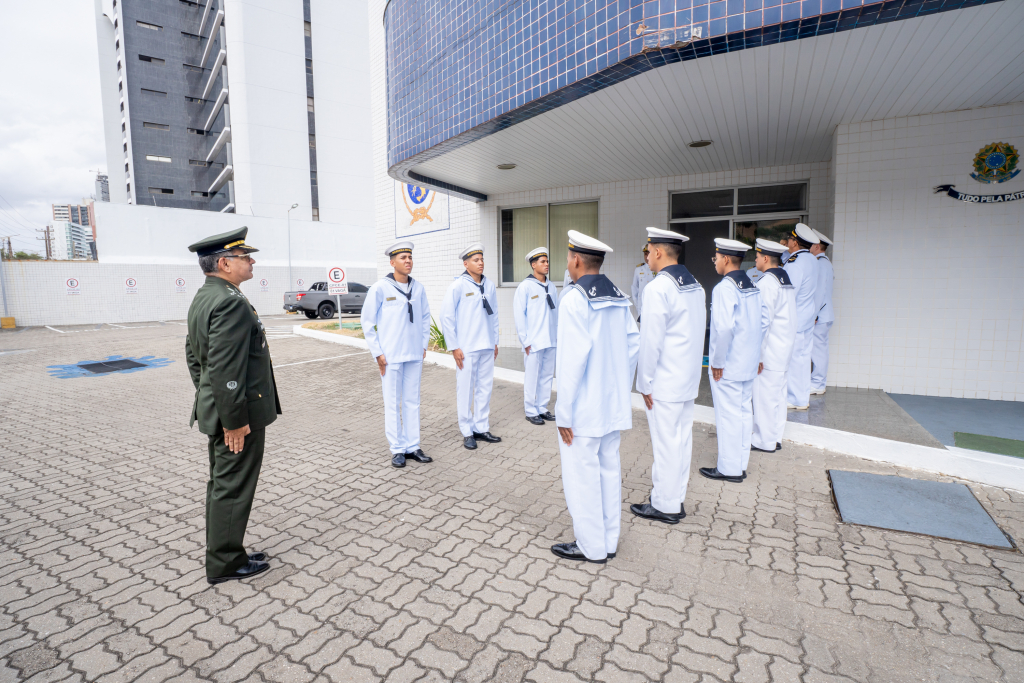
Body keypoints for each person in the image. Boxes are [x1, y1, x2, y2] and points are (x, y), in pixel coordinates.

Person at [186, 227, 279, 584]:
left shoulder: (208, 295)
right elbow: (225, 368)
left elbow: (195, 357)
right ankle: (225, 563)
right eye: (244, 257)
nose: (251, 261)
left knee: (224, 483)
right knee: (233, 485)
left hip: (222, 407)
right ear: (225, 263)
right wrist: (234, 418)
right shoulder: (228, 300)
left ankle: (228, 550)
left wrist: (208, 394)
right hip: (238, 415)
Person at [552, 230, 639, 563]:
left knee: (582, 477)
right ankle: (609, 540)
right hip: (612, 404)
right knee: (608, 472)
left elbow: (572, 361)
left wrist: (563, 412)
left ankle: (591, 546)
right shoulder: (617, 294)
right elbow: (634, 343)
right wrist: (617, 382)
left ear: (576, 260)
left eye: (568, 258)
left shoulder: (575, 298)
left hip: (584, 409)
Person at [630, 228, 705, 524]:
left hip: (663, 382)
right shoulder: (695, 284)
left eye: (649, 251)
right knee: (681, 442)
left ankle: (665, 505)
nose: (647, 257)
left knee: (666, 445)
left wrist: (643, 382)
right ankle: (674, 498)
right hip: (686, 379)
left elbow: (650, 341)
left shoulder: (658, 288)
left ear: (659, 252)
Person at [362, 241, 433, 468]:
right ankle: (397, 449)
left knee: (412, 401)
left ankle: (413, 446)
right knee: (392, 402)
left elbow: (424, 318)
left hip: (414, 354)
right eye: (403, 257)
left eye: (410, 257)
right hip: (390, 355)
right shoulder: (380, 288)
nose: (408, 261)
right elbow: (367, 321)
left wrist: (423, 345)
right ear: (392, 262)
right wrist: (378, 353)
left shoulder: (418, 288)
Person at [699, 238, 763, 483]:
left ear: (726, 259)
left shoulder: (724, 288)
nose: (714, 262)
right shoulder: (752, 285)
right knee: (745, 414)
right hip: (747, 363)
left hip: (729, 365)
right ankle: (740, 464)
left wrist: (716, 362)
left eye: (716, 258)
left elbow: (723, 329)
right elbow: (762, 323)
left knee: (728, 417)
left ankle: (728, 469)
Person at [441, 243, 502, 450]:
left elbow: (494, 316)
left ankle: (481, 427)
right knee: (466, 389)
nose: (481, 263)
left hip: (486, 345)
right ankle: (467, 431)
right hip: (466, 347)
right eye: (476, 260)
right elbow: (447, 317)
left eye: (482, 259)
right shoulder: (458, 286)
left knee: (484, 388)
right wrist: (454, 346)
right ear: (466, 264)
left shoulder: (490, 285)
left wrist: (495, 342)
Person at [750, 239, 796, 454]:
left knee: (765, 398)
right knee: (778, 397)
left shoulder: (767, 282)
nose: (755, 260)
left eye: (757, 256)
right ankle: (775, 437)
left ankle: (763, 441)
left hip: (769, 352)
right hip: (783, 349)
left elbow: (763, 321)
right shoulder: (784, 280)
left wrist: (757, 355)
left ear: (766, 258)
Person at [514, 247, 558, 426]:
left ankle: (542, 407)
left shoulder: (552, 286)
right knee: (532, 376)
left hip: (550, 339)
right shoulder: (525, 287)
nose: (546, 264)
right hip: (533, 341)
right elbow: (519, 315)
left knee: (547, 375)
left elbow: (556, 313)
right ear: (533, 265)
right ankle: (530, 410)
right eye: (542, 261)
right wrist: (525, 340)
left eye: (547, 261)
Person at [780, 223, 820, 410]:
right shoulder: (813, 260)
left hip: (795, 318)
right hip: (807, 316)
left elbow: (789, 293)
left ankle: (794, 398)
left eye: (789, 239)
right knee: (803, 359)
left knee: (794, 359)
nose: (787, 242)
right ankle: (802, 398)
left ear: (795, 243)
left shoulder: (795, 262)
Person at [810, 229, 834, 395]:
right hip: (825, 313)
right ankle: (818, 382)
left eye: (811, 244)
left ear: (817, 246)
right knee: (820, 349)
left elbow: (818, 292)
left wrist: (814, 315)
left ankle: (817, 384)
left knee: (818, 350)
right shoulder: (826, 263)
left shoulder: (819, 263)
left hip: (820, 315)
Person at [631, 244, 653, 322]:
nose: (647, 257)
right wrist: (638, 306)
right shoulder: (638, 269)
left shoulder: (657, 269)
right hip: (642, 308)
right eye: (645, 254)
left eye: (649, 254)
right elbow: (634, 288)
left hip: (655, 307)